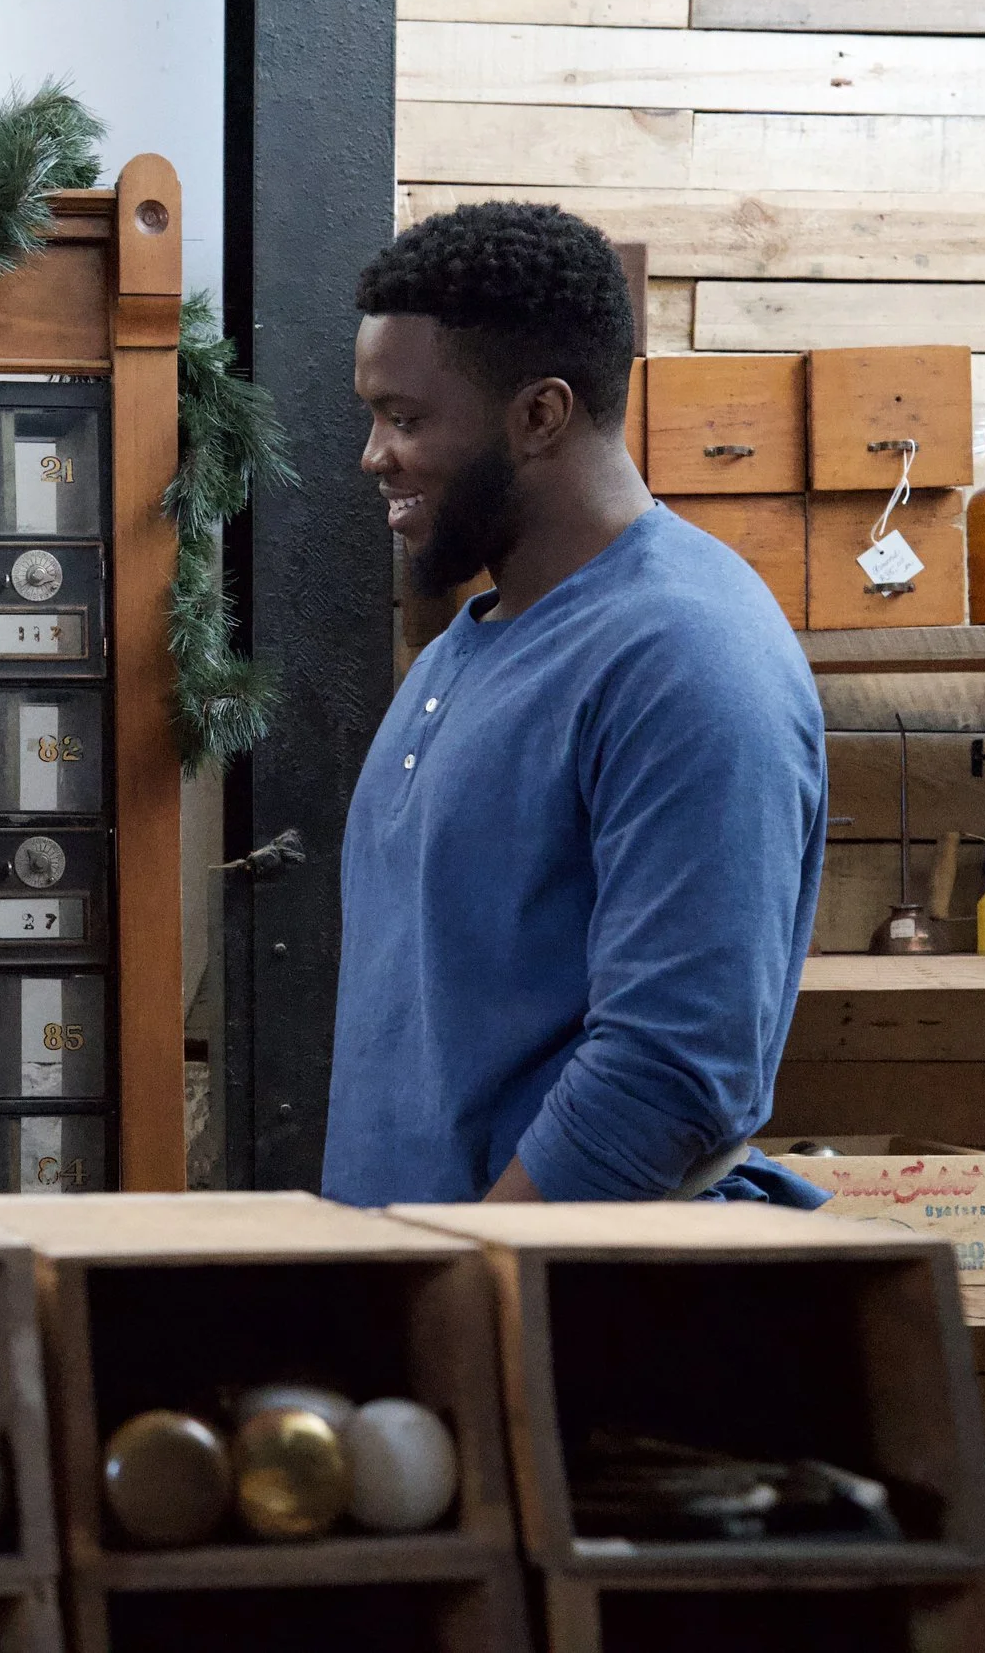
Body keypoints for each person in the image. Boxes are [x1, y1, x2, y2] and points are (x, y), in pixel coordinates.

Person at [323, 202, 829, 1206]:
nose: (374, 454)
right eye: (374, 417)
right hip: (414, 1277)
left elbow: (671, 1072)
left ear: (540, 416)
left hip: (566, 1296)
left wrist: (468, 1278)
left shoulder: (687, 656)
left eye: (406, 418)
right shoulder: (464, 648)